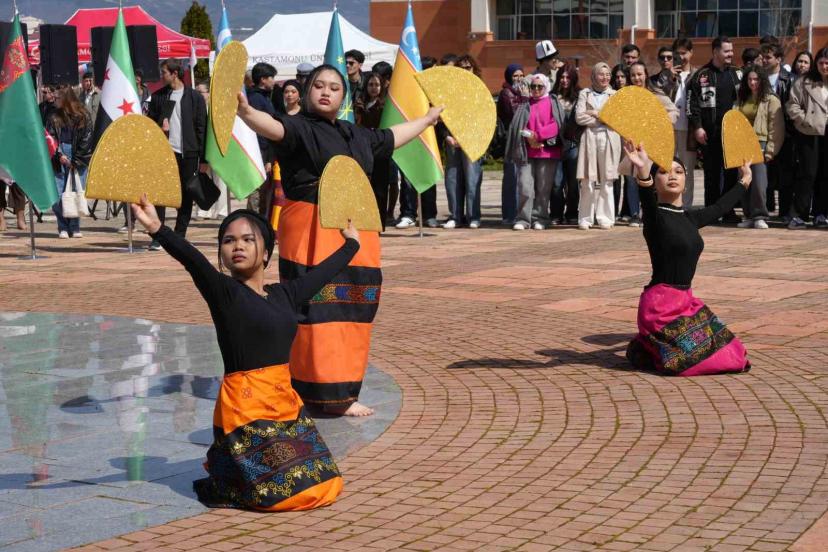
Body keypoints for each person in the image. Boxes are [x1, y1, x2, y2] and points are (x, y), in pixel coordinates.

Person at [236, 63, 442, 416]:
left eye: (334, 87)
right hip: (310, 230)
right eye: (319, 85)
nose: (326, 92)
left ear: (343, 97)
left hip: (356, 231)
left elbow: (391, 137)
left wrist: (426, 120)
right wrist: (247, 113)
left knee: (355, 308)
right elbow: (273, 127)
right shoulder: (299, 127)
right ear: (307, 91)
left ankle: (344, 392)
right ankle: (310, 390)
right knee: (313, 311)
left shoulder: (355, 134)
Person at [131, 197, 357, 510]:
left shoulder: (285, 295)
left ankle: (234, 472)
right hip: (245, 409)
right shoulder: (225, 293)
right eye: (228, 241)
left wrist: (352, 244)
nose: (237, 246)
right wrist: (158, 229)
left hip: (285, 404)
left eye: (248, 239)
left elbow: (324, 273)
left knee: (327, 483)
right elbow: (192, 260)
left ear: (265, 253)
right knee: (287, 493)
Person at [623, 141, 752, 376]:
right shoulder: (655, 218)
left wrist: (745, 180)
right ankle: (648, 345)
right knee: (693, 360)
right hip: (659, 307)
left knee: (733, 351)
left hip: (686, 302)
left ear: (685, 180)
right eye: (664, 172)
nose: (672, 176)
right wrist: (642, 172)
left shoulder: (690, 219)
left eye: (678, 171)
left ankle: (646, 347)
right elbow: (647, 201)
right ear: (655, 182)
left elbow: (720, 207)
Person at [146, 59, 208, 248]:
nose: (161, 76)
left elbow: (202, 128)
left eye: (164, 72)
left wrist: (204, 158)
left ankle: (179, 235)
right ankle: (159, 235)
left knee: (186, 194)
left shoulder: (194, 97)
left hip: (189, 153)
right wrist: (160, 127)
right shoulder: (158, 97)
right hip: (165, 152)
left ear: (175, 74)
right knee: (160, 194)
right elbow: (150, 125)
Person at [688, 36, 740, 220]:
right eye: (727, 51)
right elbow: (692, 105)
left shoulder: (737, 74)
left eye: (731, 50)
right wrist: (697, 127)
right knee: (711, 174)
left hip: (732, 135)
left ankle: (728, 211)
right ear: (716, 52)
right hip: (709, 135)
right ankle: (711, 211)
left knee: (731, 175)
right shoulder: (701, 75)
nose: (731, 54)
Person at [623, 61, 679, 226]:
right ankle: (634, 214)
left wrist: (662, 122)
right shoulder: (626, 96)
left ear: (646, 75)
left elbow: (674, 111)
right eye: (633, 75)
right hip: (633, 144)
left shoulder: (655, 95)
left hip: (652, 145)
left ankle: (650, 213)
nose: (636, 78)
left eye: (639, 74)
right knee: (632, 180)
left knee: (651, 179)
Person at [507, 74, 561, 231]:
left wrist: (537, 135)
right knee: (525, 186)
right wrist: (528, 136)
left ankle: (541, 218)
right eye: (533, 86)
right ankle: (523, 219)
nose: (536, 89)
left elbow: (556, 125)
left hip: (547, 152)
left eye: (540, 86)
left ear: (546, 87)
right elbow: (518, 125)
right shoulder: (525, 104)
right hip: (526, 151)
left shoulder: (552, 102)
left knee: (543, 188)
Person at [734, 66, 783, 230]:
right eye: (749, 79)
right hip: (742, 144)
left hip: (760, 143)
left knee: (759, 183)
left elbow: (776, 127)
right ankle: (748, 215)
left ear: (762, 80)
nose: (752, 82)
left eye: (756, 79)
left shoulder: (771, 99)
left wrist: (770, 150)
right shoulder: (741, 97)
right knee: (744, 180)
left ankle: (760, 216)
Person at [575, 62, 621, 230]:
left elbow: (616, 119)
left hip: (609, 138)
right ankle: (585, 218)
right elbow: (579, 117)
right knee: (587, 179)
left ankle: (605, 217)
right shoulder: (584, 93)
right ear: (594, 76)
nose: (605, 77)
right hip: (589, 138)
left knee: (607, 179)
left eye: (608, 74)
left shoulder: (615, 95)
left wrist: (594, 113)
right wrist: (603, 118)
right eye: (601, 74)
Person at [786, 47, 828, 229]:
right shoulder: (804, 82)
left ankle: (820, 213)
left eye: (827, 63)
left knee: (825, 174)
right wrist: (805, 120)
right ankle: (798, 214)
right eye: (821, 63)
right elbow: (792, 105)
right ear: (816, 63)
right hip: (809, 132)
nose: (824, 67)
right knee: (807, 173)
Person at [397, 55, 440, 229]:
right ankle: (408, 213)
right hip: (410, 138)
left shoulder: (437, 92)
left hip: (429, 138)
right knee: (408, 177)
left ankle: (429, 215)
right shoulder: (410, 90)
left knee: (428, 176)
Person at [443, 55, 485, 229]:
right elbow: (442, 115)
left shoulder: (480, 91)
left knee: (472, 178)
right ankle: (455, 216)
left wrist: (468, 137)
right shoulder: (450, 91)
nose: (465, 70)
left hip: (472, 141)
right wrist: (446, 136)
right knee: (452, 179)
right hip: (452, 140)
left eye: (468, 67)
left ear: (474, 69)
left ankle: (473, 216)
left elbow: (484, 118)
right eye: (461, 68)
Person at [46, 85, 93, 239]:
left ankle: (74, 226)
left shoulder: (83, 115)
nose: (54, 99)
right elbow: (50, 138)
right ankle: (63, 226)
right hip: (60, 153)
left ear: (66, 99)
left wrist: (76, 160)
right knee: (57, 193)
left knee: (76, 192)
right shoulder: (53, 116)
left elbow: (87, 139)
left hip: (78, 153)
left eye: (58, 97)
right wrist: (59, 154)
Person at [759, 42, 794, 216]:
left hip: (786, 132)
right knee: (765, 173)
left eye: (768, 57)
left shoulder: (789, 79)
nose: (764, 60)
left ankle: (785, 211)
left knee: (785, 174)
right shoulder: (758, 78)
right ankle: (767, 208)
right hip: (763, 131)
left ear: (779, 59)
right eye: (763, 57)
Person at [247, 63, 279, 217]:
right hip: (259, 152)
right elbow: (259, 130)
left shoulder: (264, 97)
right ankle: (253, 221)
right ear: (263, 79)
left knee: (265, 191)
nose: (274, 81)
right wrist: (266, 158)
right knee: (257, 190)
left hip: (265, 151)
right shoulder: (256, 99)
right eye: (271, 77)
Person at [194, 81, 229, 222]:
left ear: (208, 93)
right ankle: (203, 210)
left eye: (200, 92)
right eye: (196, 92)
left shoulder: (217, 109)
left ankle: (222, 210)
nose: (198, 95)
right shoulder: (194, 108)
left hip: (217, 149)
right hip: (200, 150)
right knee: (203, 180)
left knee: (220, 182)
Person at [497, 63, 526, 225]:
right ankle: (510, 214)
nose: (519, 79)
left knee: (521, 178)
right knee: (512, 177)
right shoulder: (506, 93)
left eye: (521, 75)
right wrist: (526, 99)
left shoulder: (522, 91)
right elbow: (516, 114)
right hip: (512, 139)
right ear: (509, 76)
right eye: (515, 75)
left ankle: (519, 213)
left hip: (522, 138)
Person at [552, 62, 581, 224]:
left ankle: (572, 213)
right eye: (562, 77)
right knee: (556, 183)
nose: (564, 80)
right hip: (555, 146)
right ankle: (556, 213)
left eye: (568, 77)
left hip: (573, 145)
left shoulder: (579, 97)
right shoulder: (552, 96)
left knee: (573, 183)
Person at [672, 37, 698, 208]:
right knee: (667, 166)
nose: (681, 57)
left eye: (684, 53)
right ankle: (670, 203)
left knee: (686, 169)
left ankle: (686, 205)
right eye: (678, 53)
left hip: (688, 129)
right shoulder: (667, 75)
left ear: (691, 53)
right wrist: (668, 77)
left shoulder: (697, 75)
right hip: (669, 128)